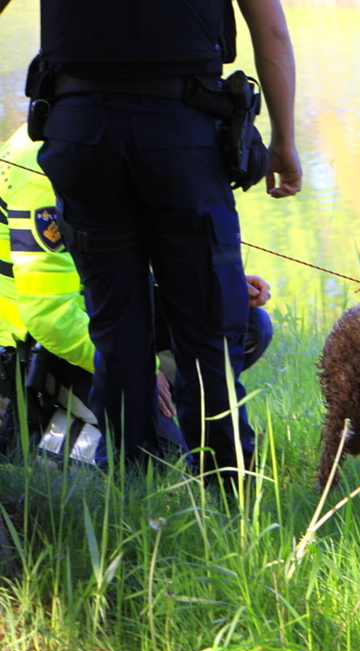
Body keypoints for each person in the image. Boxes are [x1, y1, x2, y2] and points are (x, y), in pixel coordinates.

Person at [29, 0, 301, 473]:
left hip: (83, 135)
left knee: (117, 329)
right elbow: (271, 32)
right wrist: (284, 141)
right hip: (182, 137)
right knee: (209, 330)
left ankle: (131, 486)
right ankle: (225, 496)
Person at [0, 124, 275, 465]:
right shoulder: (47, 169)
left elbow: (124, 255)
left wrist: (214, 281)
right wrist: (144, 367)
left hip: (94, 307)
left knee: (246, 324)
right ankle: (34, 432)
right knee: (161, 456)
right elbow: (49, 316)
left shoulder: (124, 140)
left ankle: (149, 403)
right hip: (32, 343)